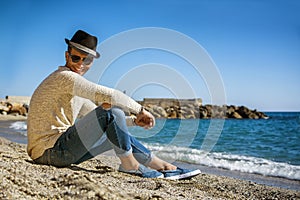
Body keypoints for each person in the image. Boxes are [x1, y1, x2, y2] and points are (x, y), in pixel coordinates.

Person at [27, 30, 201, 179]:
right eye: (75, 57)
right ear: (67, 55)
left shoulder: (72, 86)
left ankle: (164, 167)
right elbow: (108, 97)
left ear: (92, 61)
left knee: (113, 131)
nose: (80, 64)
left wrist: (133, 121)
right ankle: (130, 166)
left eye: (86, 60)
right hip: (50, 152)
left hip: (58, 152)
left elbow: (102, 119)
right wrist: (140, 110)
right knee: (111, 109)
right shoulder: (64, 77)